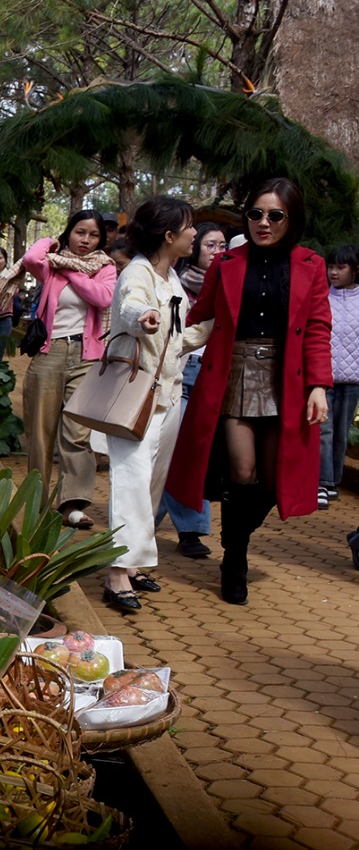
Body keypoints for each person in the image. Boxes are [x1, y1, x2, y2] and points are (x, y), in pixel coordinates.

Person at [167, 177, 332, 606]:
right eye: (256, 214)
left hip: (288, 379)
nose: (263, 222)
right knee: (241, 472)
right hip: (233, 374)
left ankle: (234, 533)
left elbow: (317, 329)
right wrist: (158, 331)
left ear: (291, 219)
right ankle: (234, 559)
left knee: (278, 480)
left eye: (274, 215)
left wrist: (318, 386)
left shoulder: (311, 265)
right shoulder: (226, 263)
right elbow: (199, 318)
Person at [100, 197, 204, 611]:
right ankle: (116, 573)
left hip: (167, 395)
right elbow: (129, 307)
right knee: (130, 482)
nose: (195, 234)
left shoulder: (173, 281)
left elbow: (179, 341)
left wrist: (218, 326)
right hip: (134, 395)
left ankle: (135, 564)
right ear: (169, 235)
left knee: (151, 484)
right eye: (190, 227)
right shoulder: (138, 273)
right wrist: (143, 316)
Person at [20, 209, 117, 528]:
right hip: (50, 353)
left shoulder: (104, 268)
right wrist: (54, 242)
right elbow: (31, 257)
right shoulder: (51, 265)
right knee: (40, 432)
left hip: (86, 356)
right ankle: (37, 500)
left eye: (93, 235)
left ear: (101, 239)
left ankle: (71, 504)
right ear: (69, 233)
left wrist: (73, 270)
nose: (85, 240)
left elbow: (102, 297)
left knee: (78, 434)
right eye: (79, 232)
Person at [155, 222, 227, 556]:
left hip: (216, 373)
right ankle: (188, 528)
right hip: (181, 371)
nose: (218, 251)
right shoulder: (175, 283)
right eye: (210, 245)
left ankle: (159, 520)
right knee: (174, 449)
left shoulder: (231, 284)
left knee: (197, 451)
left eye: (223, 245)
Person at [319, 244, 359, 508]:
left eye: (340, 267)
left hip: (353, 380)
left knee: (342, 433)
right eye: (331, 266)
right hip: (323, 378)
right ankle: (323, 482)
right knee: (324, 430)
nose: (333, 272)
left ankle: (334, 480)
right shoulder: (321, 297)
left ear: (355, 270)